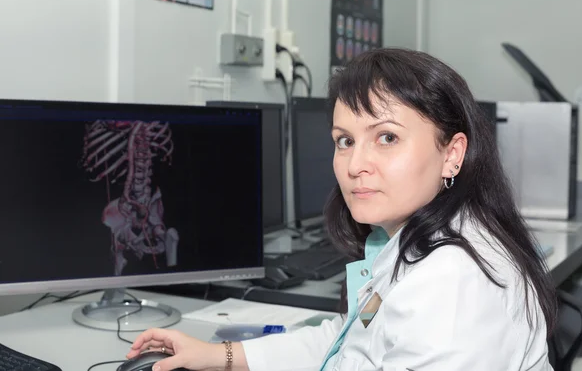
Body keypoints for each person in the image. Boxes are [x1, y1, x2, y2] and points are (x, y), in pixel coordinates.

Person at [127, 48, 557, 371]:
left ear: (452, 154)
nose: (354, 165)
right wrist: (216, 355)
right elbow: (350, 341)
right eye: (345, 140)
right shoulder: (410, 240)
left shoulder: (453, 282)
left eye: (386, 137)